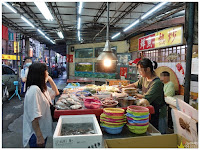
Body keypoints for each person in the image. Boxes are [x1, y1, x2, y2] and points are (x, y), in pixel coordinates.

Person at [121, 58, 167, 134]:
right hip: (148, 109)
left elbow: (146, 97)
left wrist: (133, 94)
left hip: (158, 112)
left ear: (148, 69)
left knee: (158, 134)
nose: (139, 72)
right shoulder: (144, 78)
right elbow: (135, 84)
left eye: (140, 70)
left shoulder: (157, 83)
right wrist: (123, 88)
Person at [23, 63, 59, 148]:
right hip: (35, 134)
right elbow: (34, 116)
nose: (48, 73)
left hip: (42, 130)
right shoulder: (34, 90)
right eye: (46, 71)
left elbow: (56, 92)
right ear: (40, 74)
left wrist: (49, 79)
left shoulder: (42, 88)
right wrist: (39, 137)